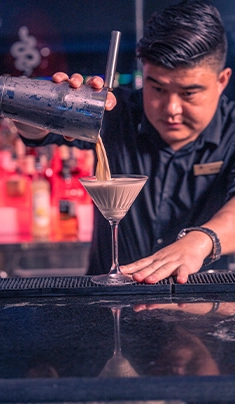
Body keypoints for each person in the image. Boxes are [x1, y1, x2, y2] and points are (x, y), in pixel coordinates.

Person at [17, 0, 235, 284]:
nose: (171, 108)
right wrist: (47, 104)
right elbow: (33, 131)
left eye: (189, 93)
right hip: (106, 305)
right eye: (157, 88)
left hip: (198, 305)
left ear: (222, 80)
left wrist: (202, 240)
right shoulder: (114, 111)